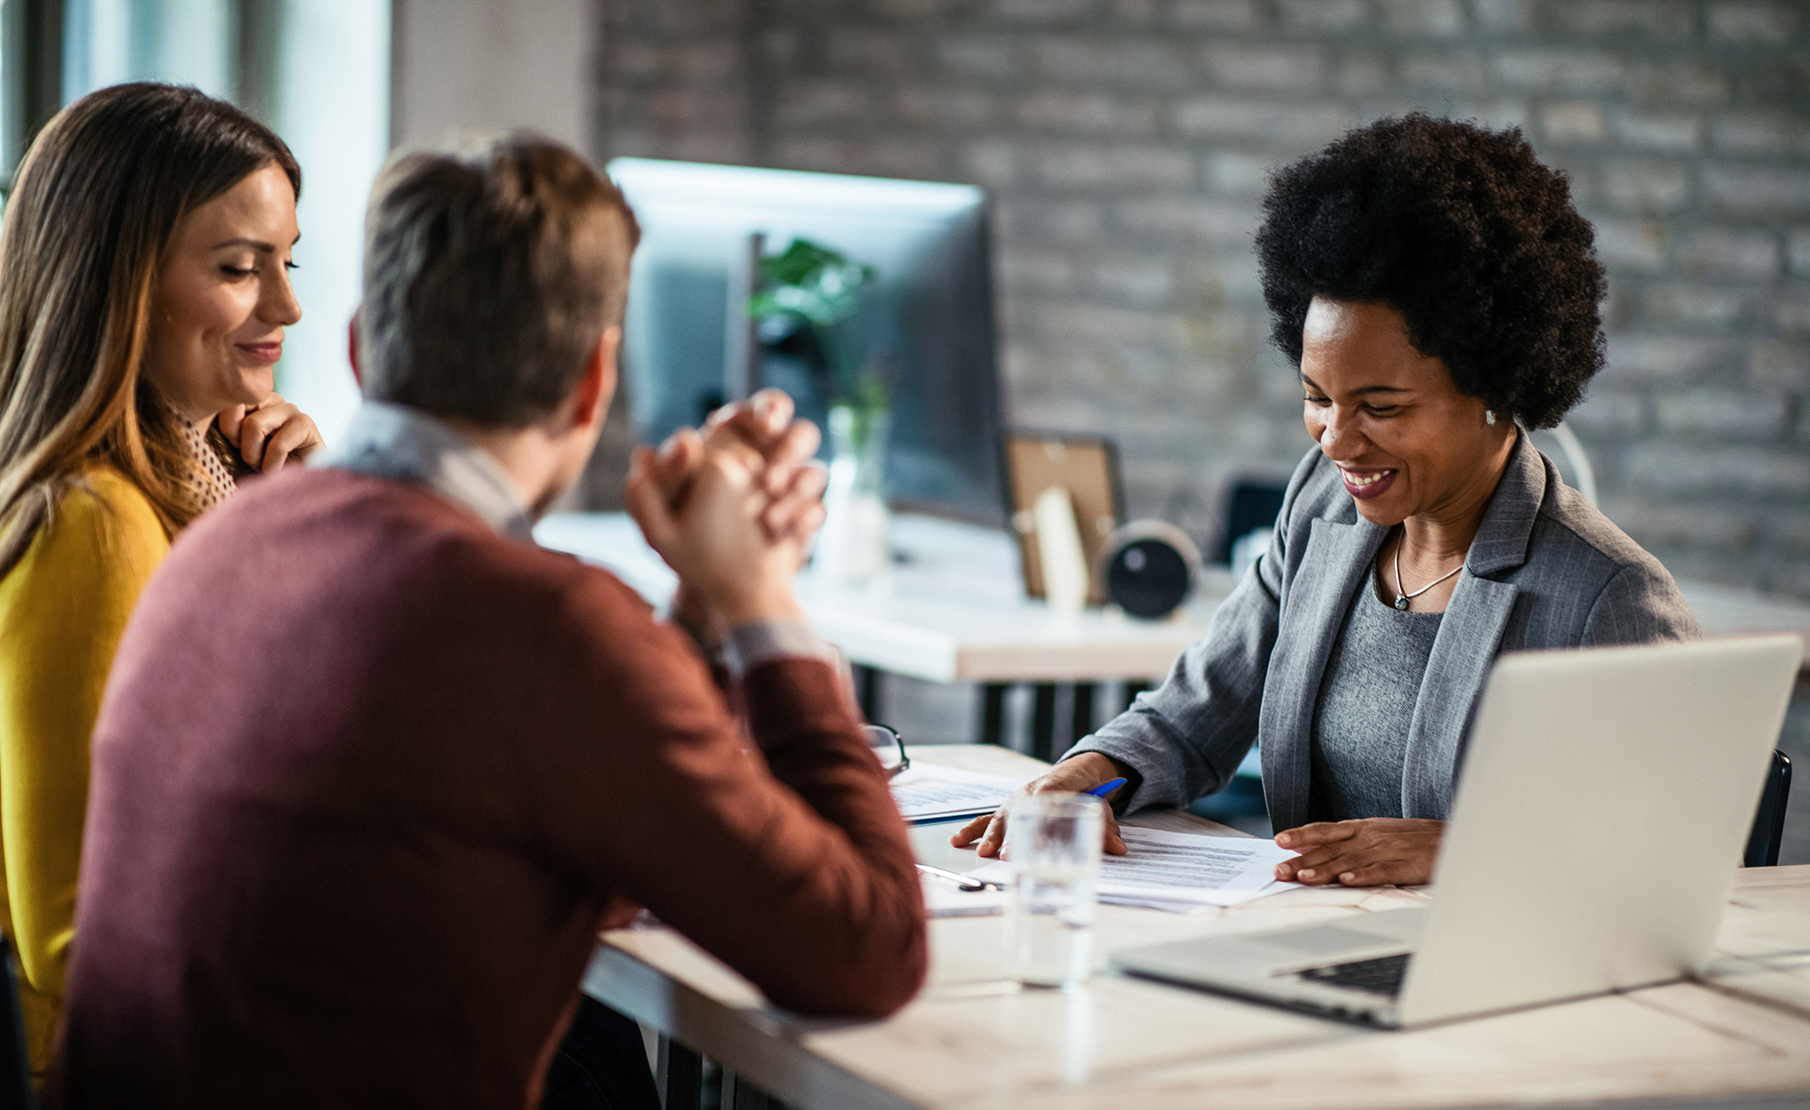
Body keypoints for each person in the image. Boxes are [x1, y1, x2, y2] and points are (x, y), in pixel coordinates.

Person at [56, 133, 925, 1108]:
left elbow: (579, 803)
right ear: (593, 380)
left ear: (359, 346)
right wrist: (764, 600)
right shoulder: (549, 627)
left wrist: (701, 609)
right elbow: (871, 952)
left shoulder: (219, 541)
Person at [956, 114, 1698, 887]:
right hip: (1309, 934)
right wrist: (1087, 773)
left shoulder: (1610, 598)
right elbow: (1197, 710)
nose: (1336, 440)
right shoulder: (1323, 506)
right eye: (1317, 397)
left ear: (1494, 388)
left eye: (1380, 407)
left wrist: (1467, 848)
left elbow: (1673, 850)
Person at [0, 82, 323, 1076]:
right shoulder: (93, 524)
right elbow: (81, 935)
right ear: (120, 280)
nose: (288, 307)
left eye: (288, 263)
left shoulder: (199, 481)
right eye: (238, 268)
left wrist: (287, 521)